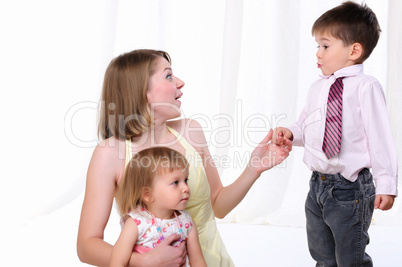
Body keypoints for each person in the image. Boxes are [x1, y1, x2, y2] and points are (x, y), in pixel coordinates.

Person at [77, 49, 292, 267]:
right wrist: (143, 261)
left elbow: (219, 207)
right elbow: (87, 245)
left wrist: (253, 169)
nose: (180, 82)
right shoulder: (110, 153)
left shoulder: (191, 131)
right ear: (141, 90)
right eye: (168, 75)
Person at [272, 2, 398, 266]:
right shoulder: (318, 87)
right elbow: (308, 127)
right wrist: (291, 133)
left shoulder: (366, 87)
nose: (318, 53)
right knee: (322, 253)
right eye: (317, 46)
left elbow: (380, 138)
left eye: (325, 46)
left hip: (350, 188)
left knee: (349, 256)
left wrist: (386, 183)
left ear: (354, 50)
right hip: (317, 185)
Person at [109, 147, 206, 267]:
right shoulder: (136, 223)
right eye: (175, 182)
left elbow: (198, 261)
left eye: (185, 180)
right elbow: (117, 262)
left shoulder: (186, 221)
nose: (186, 188)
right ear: (147, 194)